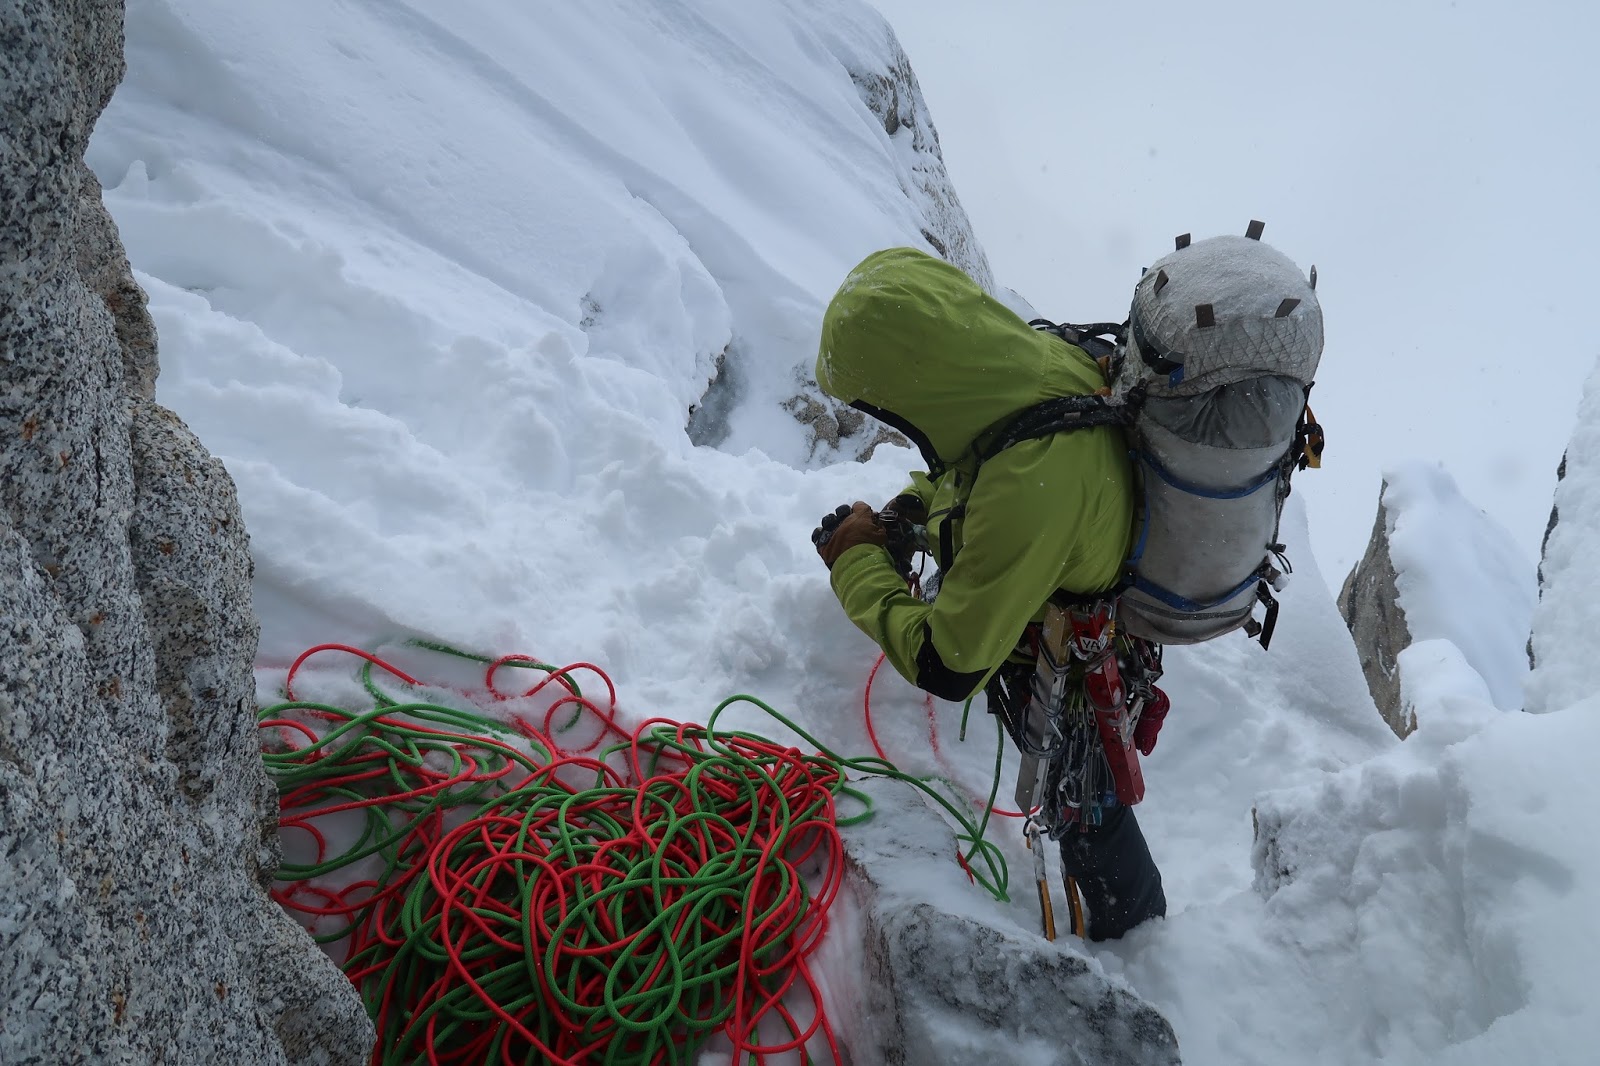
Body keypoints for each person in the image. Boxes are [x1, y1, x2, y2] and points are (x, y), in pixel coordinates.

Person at [808, 245, 1166, 940]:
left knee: (1085, 805)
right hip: (1081, 599)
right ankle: (1125, 926)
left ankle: (1140, 944)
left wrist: (857, 565)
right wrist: (913, 513)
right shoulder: (1032, 366)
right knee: (1085, 804)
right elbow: (983, 463)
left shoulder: (1032, 482)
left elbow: (951, 662)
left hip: (1076, 669)